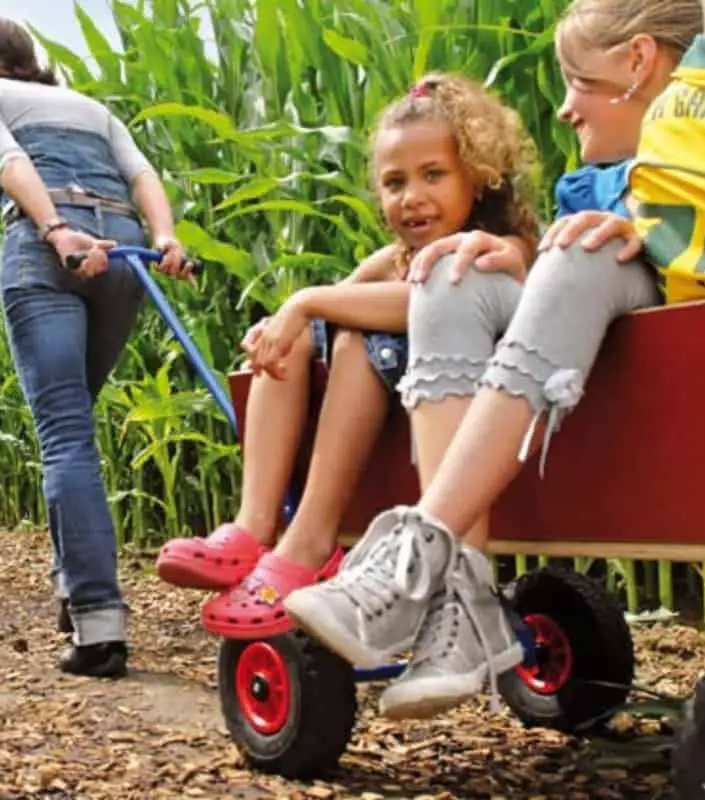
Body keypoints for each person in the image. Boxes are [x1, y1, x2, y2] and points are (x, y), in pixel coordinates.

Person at [286, 0, 705, 724]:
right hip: (632, 352)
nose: (562, 107)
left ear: (639, 64)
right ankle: (453, 593)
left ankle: (418, 559)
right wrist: (533, 258)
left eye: (577, 82)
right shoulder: (678, 124)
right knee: (462, 270)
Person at [156, 73, 539, 640]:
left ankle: (308, 541)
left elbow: (422, 303)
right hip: (404, 419)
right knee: (303, 337)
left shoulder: (498, 250)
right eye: (394, 182)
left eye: (433, 175)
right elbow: (346, 302)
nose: (411, 197)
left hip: (474, 419)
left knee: (355, 338)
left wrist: (306, 301)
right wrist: (286, 323)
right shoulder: (393, 257)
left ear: (479, 178)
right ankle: (253, 524)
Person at [0, 18, 190, 678]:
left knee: (65, 436)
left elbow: (11, 163)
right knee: (73, 422)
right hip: (126, 259)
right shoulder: (90, 107)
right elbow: (142, 176)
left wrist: (54, 231)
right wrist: (166, 238)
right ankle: (68, 582)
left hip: (54, 255)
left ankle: (99, 624)